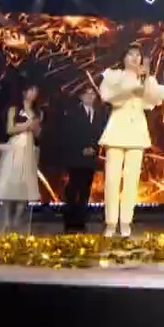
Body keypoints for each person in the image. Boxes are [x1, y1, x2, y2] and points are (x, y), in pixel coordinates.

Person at [98, 44, 164, 238]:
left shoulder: (146, 78)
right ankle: (110, 222)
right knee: (112, 179)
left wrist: (145, 79)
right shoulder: (114, 75)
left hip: (137, 130)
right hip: (116, 129)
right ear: (124, 58)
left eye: (138, 55)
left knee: (131, 180)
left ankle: (126, 221)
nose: (135, 58)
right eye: (131, 54)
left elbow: (153, 100)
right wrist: (129, 89)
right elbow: (107, 96)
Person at [0, 83, 43, 232]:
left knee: (26, 184)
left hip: (29, 148)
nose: (33, 93)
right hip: (15, 147)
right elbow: (10, 129)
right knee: (10, 182)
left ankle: (17, 220)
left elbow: (38, 134)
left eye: (35, 91)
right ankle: (7, 220)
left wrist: (36, 128)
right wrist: (27, 125)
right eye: (31, 90)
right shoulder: (14, 109)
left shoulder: (37, 112)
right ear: (24, 91)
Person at [59, 85, 106, 233]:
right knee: (73, 190)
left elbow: (99, 134)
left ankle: (81, 221)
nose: (90, 97)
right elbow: (69, 134)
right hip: (75, 158)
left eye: (93, 94)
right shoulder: (73, 113)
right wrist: (82, 149)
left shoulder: (98, 114)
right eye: (87, 94)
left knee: (85, 191)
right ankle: (70, 221)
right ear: (81, 96)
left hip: (90, 159)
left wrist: (94, 150)